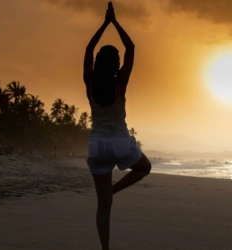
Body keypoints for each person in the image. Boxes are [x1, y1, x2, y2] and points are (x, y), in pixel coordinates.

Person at [83, 2, 151, 250]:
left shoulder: (89, 81)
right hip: (120, 142)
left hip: (97, 145)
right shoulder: (120, 82)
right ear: (116, 64)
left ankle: (105, 249)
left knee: (103, 206)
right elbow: (131, 47)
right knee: (144, 167)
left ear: (98, 61)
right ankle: (114, 189)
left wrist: (104, 24)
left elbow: (89, 48)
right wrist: (114, 21)